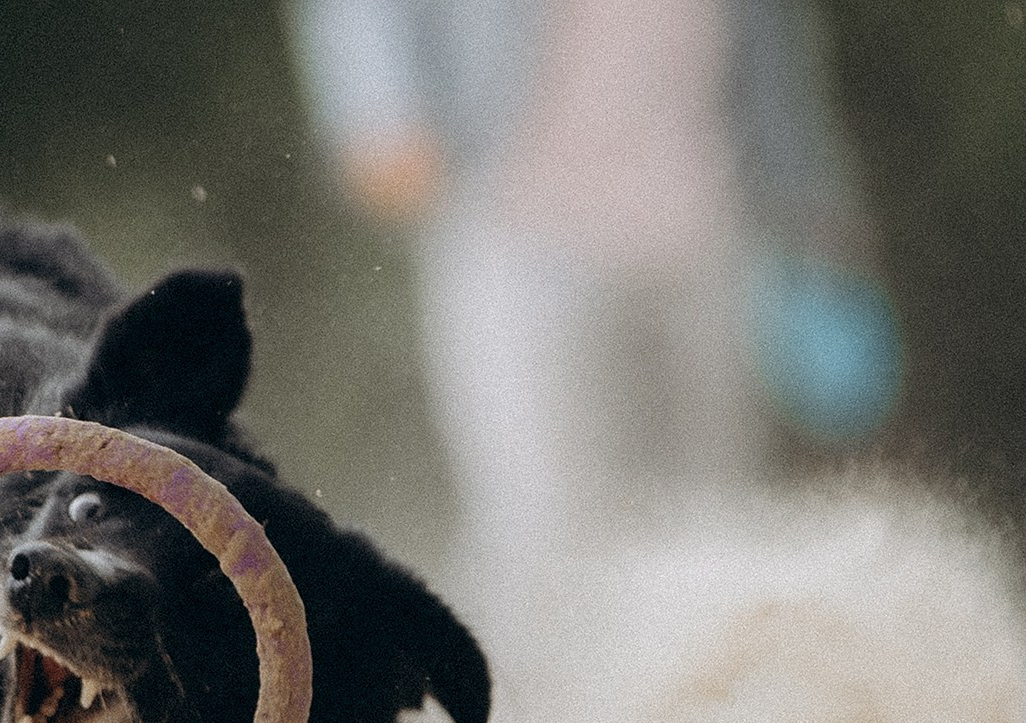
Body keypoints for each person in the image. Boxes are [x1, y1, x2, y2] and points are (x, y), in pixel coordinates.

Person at [288, 0, 894, 615]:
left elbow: (770, 56)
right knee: (546, 545)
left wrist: (817, 226)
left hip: (703, 238)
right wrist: (373, 104)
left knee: (718, 526)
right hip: (522, 237)